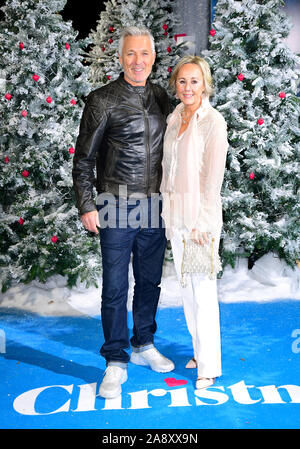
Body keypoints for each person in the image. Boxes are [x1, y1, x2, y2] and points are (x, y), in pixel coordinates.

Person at [72, 26, 174, 399]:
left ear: (153, 57)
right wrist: (86, 204)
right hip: (115, 203)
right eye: (130, 54)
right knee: (115, 287)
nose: (137, 61)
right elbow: (83, 159)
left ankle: (144, 343)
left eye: (144, 54)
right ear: (120, 58)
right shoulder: (102, 100)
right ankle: (115, 359)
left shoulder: (163, 97)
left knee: (149, 282)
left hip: (155, 205)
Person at [160, 56, 228, 389]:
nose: (188, 87)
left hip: (200, 222)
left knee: (203, 292)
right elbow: (168, 171)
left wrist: (201, 222)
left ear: (205, 84)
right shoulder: (174, 118)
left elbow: (212, 178)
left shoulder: (213, 122)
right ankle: (199, 352)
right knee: (187, 291)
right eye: (183, 81)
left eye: (195, 81)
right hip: (178, 218)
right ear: (176, 84)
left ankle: (210, 366)